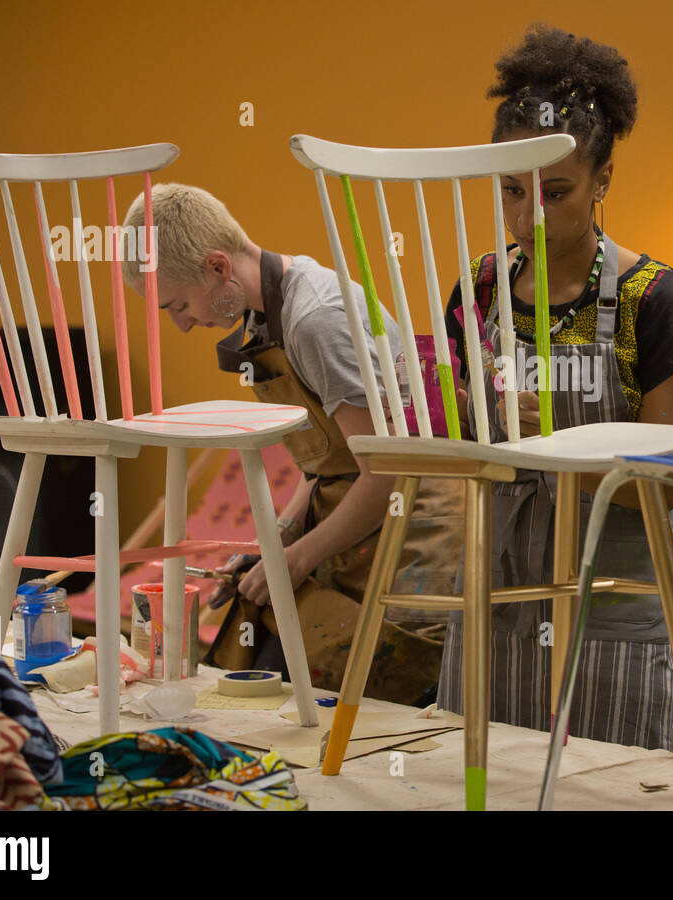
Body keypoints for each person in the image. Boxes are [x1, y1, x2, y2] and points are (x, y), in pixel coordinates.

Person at [437, 24, 673, 751]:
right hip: (493, 597)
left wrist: (549, 448)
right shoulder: (481, 289)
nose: (530, 217)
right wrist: (483, 426)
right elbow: (452, 442)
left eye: (556, 192)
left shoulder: (656, 300)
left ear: (603, 181)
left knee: (606, 792)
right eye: (511, 192)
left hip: (609, 610)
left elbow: (666, 489)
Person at [120, 184, 466, 706]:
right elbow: (329, 464)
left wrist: (296, 561)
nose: (183, 324)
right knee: (250, 639)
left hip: (412, 526)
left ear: (218, 267)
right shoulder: (265, 314)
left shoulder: (315, 319)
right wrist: (276, 543)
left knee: (317, 697)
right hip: (357, 514)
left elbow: (388, 472)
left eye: (178, 305)